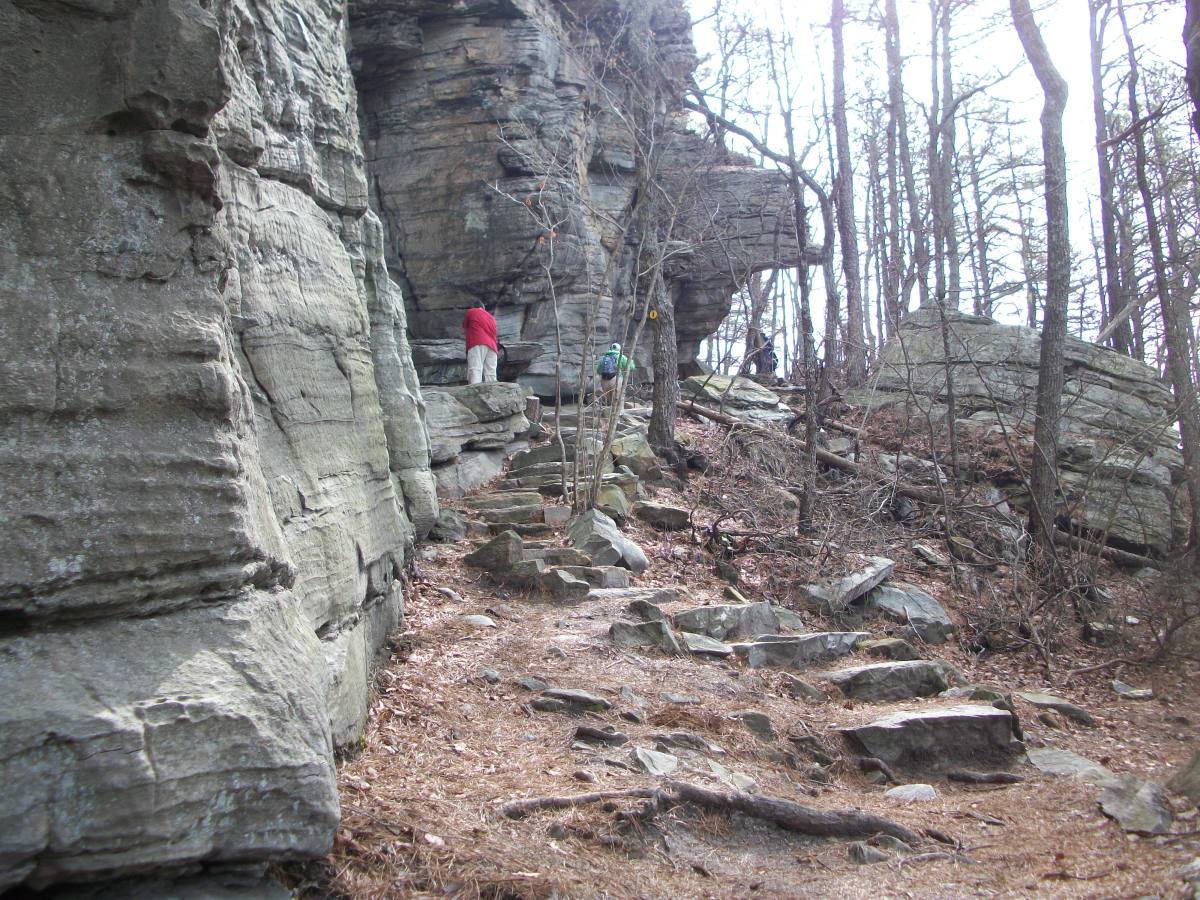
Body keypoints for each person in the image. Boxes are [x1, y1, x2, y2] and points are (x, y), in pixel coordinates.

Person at [462, 300, 498, 384]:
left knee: (476, 368)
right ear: (483, 308)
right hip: (493, 346)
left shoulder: (472, 311)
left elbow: (464, 327)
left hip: (477, 342)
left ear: (474, 307)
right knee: (491, 373)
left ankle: (474, 393)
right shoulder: (491, 317)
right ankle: (494, 393)